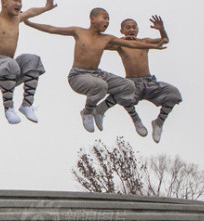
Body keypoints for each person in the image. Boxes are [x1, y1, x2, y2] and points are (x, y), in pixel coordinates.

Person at [24, 8, 166, 133]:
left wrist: (155, 46)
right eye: (104, 18)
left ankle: (100, 111)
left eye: (108, 19)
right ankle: (87, 112)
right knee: (101, 86)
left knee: (128, 86)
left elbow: (133, 44)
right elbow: (52, 29)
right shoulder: (78, 32)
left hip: (97, 73)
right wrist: (29, 22)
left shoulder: (107, 38)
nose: (107, 21)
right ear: (92, 19)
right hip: (78, 75)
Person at [97, 15, 182, 143]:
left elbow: (164, 40)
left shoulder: (144, 42)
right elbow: (101, 45)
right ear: (122, 31)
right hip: (132, 83)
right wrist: (121, 40)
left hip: (149, 81)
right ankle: (136, 120)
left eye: (134, 27)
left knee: (173, 93)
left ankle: (158, 123)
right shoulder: (120, 44)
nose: (131, 29)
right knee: (122, 95)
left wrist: (161, 29)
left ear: (137, 29)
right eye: (128, 27)